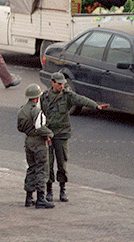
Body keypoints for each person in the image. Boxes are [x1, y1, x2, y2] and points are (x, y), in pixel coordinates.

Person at [40, 72, 109, 203]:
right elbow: (40, 113)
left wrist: (96, 105)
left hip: (61, 134)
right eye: (59, 84)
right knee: (48, 163)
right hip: (48, 134)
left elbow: (81, 99)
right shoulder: (45, 97)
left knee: (62, 163)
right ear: (52, 83)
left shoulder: (67, 96)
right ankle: (49, 190)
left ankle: (62, 189)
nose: (61, 86)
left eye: (63, 84)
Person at [17, 84, 55, 209]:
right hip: (38, 142)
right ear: (37, 97)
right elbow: (40, 127)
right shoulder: (36, 111)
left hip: (28, 141)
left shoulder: (22, 110)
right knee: (41, 169)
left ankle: (28, 198)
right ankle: (40, 198)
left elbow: (19, 127)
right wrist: (50, 134)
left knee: (31, 168)